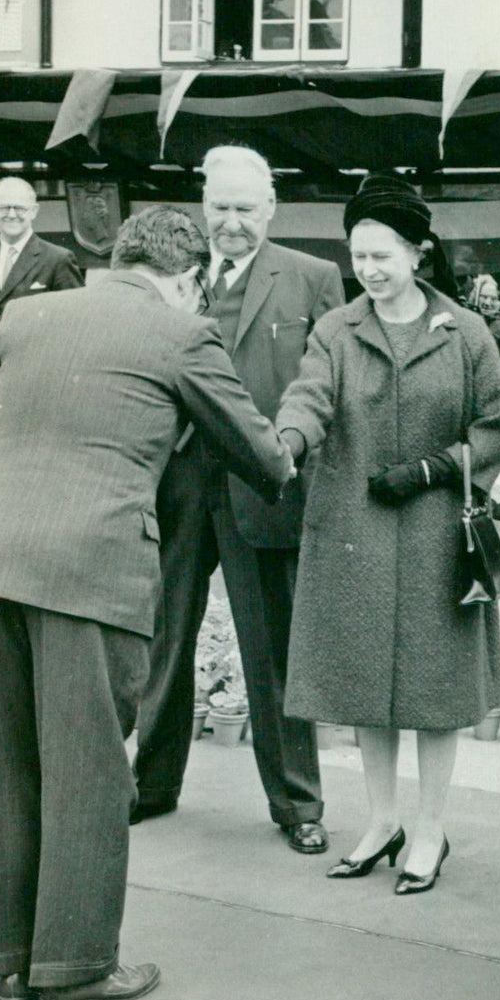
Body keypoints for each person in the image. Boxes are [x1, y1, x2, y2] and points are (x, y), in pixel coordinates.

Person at [0, 206, 293, 1000]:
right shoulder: (181, 335)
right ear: (187, 279)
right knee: (88, 770)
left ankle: (9, 962)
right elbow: (263, 456)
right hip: (93, 570)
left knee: (3, 764)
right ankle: (73, 968)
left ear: (118, 256)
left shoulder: (28, 315)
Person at [276, 174, 500, 892]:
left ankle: (431, 830)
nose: (370, 271)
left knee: (433, 695)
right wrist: (286, 442)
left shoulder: (466, 332)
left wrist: (435, 467)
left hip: (439, 533)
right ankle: (381, 821)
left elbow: (497, 427)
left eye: (383, 255)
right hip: (355, 529)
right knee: (363, 687)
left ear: (420, 252)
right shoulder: (337, 330)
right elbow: (309, 397)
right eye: (360, 256)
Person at [133, 146, 345, 853]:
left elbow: (326, 385)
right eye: (219, 207)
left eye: (244, 209)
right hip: (177, 481)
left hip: (264, 488)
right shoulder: (169, 278)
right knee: (164, 639)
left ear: (271, 208)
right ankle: (152, 784)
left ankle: (298, 804)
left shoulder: (315, 278)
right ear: (203, 205)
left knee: (273, 649)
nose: (230, 223)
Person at [0, 177, 84, 383]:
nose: (12, 214)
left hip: (30, 376)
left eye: (20, 208)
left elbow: (74, 327)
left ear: (34, 210)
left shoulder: (57, 259)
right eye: (4, 207)